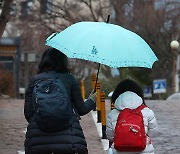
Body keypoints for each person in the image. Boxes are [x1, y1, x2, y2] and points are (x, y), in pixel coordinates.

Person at [24, 48, 97, 154]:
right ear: (63, 61)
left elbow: (28, 114)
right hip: (69, 139)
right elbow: (82, 109)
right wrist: (91, 100)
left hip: (38, 140)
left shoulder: (35, 80)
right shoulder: (69, 79)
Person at [106, 79, 158, 154]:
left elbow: (110, 137)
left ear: (117, 94)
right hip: (144, 151)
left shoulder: (112, 114)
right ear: (139, 94)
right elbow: (153, 132)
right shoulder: (147, 111)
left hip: (119, 151)